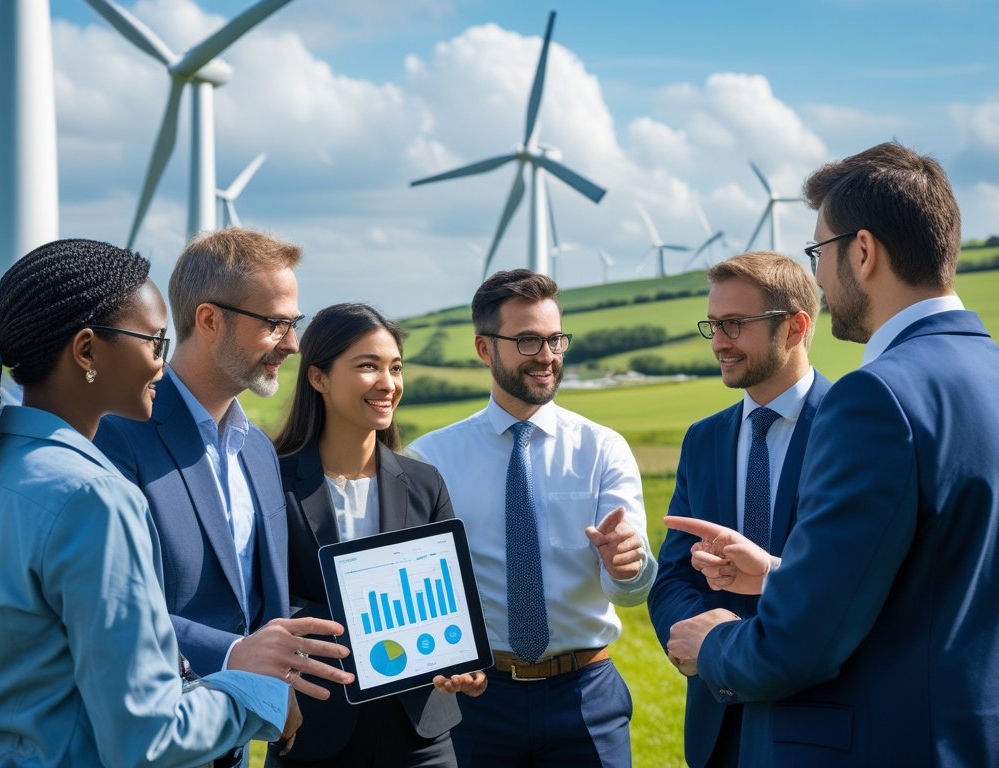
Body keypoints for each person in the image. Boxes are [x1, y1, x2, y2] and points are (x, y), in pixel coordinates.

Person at [666, 142, 999, 767]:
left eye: (819, 253)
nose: (822, 281)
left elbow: (803, 643)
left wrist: (716, 644)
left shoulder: (877, 397)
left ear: (862, 252)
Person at [0, 238, 353, 767]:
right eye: (152, 341)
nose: (161, 363)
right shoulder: (92, 495)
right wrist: (260, 698)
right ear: (86, 351)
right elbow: (145, 738)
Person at [409, 269, 657, 768]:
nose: (546, 356)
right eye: (527, 341)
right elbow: (417, 591)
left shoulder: (602, 448)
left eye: (554, 339)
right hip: (476, 699)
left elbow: (631, 592)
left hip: (586, 696)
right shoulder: (428, 460)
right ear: (484, 349)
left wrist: (628, 567)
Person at [94, 227, 306, 757]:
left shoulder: (257, 450)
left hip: (231, 742)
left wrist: (274, 682)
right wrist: (236, 654)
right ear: (210, 320)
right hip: (146, 740)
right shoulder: (117, 435)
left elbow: (258, 603)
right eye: (276, 323)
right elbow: (106, 608)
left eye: (294, 324)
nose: (293, 343)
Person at [268, 302, 487, 767]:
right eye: (368, 366)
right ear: (318, 378)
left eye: (395, 367)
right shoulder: (271, 481)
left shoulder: (424, 483)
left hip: (421, 735)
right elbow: (262, 599)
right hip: (313, 728)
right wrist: (372, 622)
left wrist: (462, 661)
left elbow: (448, 597)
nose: (388, 383)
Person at [646, 250, 831, 767]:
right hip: (718, 722)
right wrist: (705, 646)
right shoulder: (703, 440)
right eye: (714, 325)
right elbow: (675, 577)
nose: (719, 342)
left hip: (817, 715)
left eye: (734, 324)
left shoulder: (849, 430)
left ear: (795, 327)